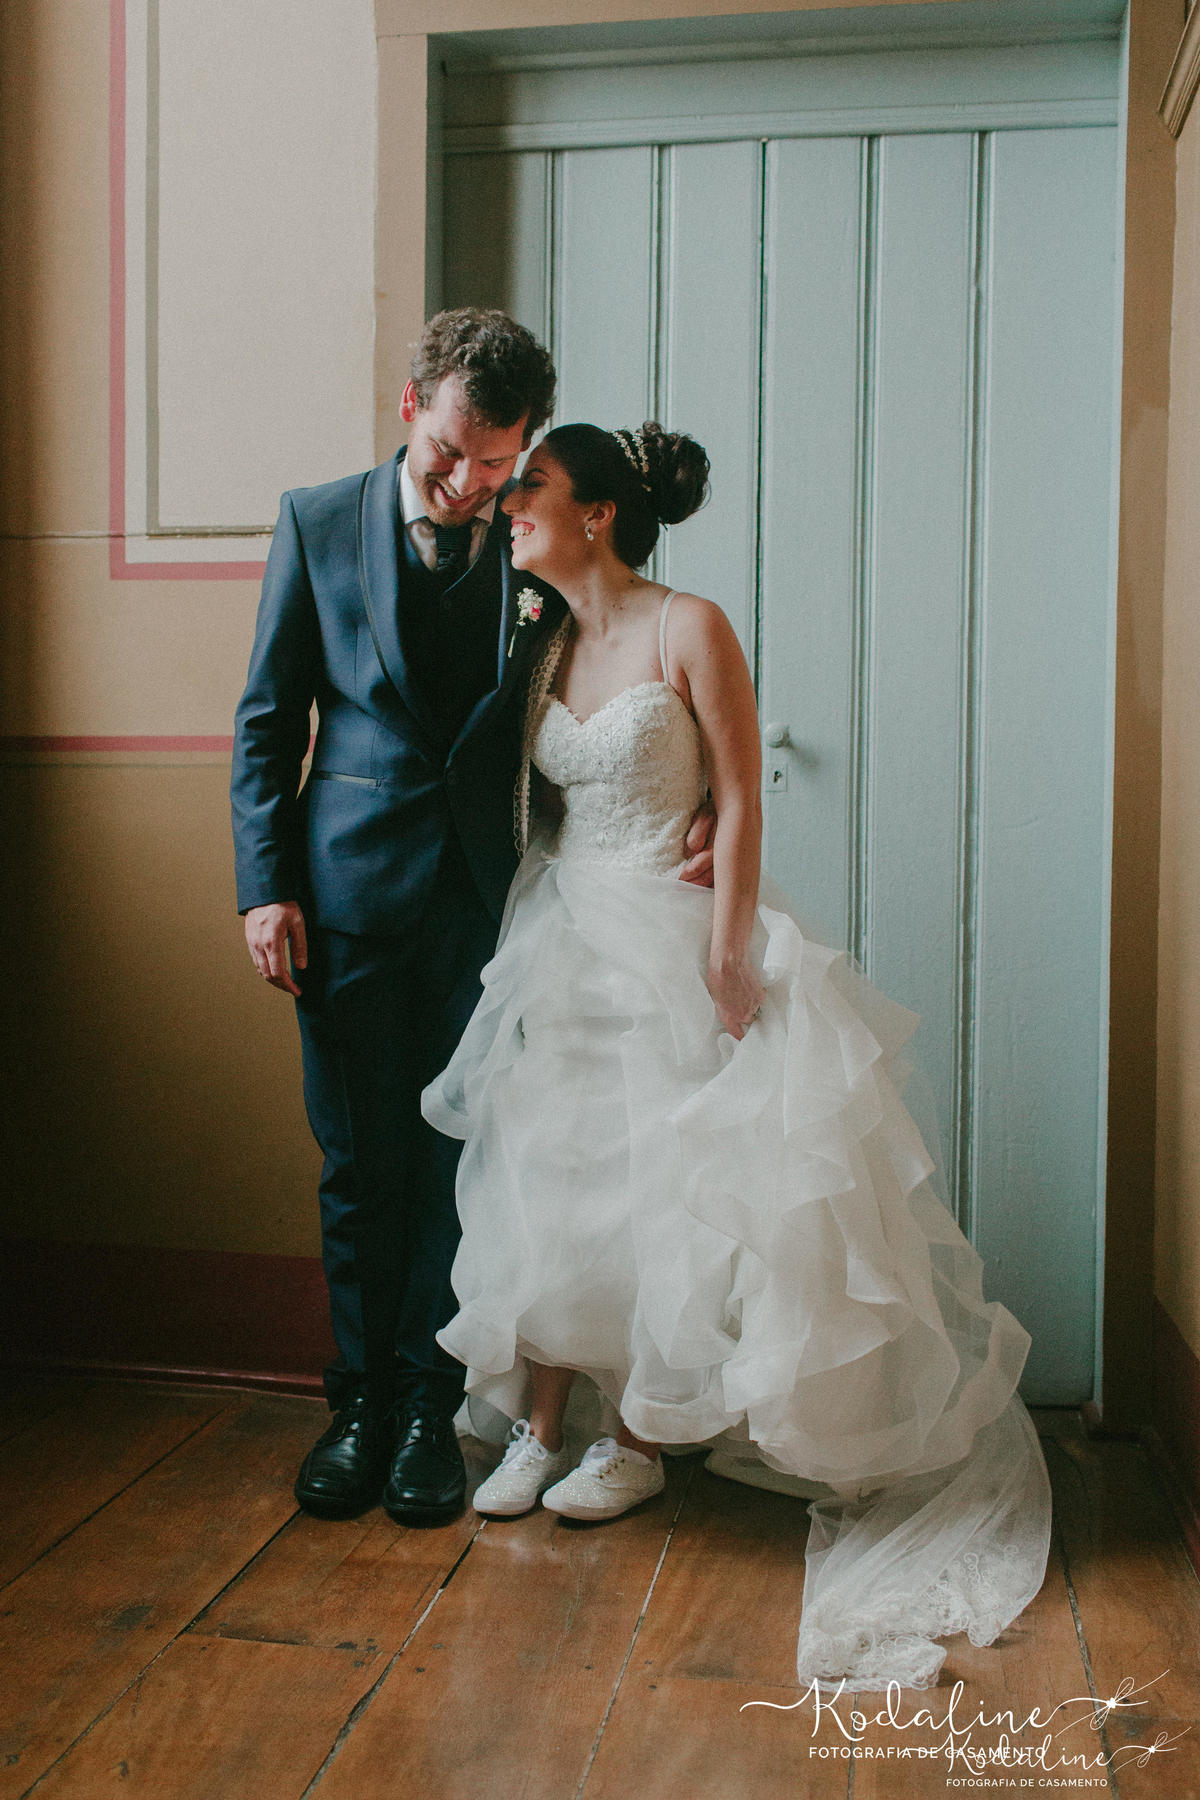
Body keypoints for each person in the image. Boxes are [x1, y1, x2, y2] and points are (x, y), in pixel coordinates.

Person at [421, 420, 1052, 1690]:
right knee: (546, 1169)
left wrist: (723, 948)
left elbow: (744, 793)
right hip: (562, 928)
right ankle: (542, 1425)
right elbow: (519, 785)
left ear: (598, 512)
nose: (510, 507)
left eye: (529, 487)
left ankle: (641, 1441)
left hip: (667, 929)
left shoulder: (687, 625)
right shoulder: (538, 634)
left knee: (664, 1185)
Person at [231, 313, 713, 1528]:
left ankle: (430, 1414)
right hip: (338, 906)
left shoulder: (536, 542)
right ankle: (357, 1408)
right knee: (358, 1164)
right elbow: (264, 720)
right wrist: (263, 883)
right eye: (453, 454)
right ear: (412, 408)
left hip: (491, 915)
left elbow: (634, 660)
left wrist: (698, 804)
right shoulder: (316, 520)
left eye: (498, 463)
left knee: (466, 1169)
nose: (470, 485)